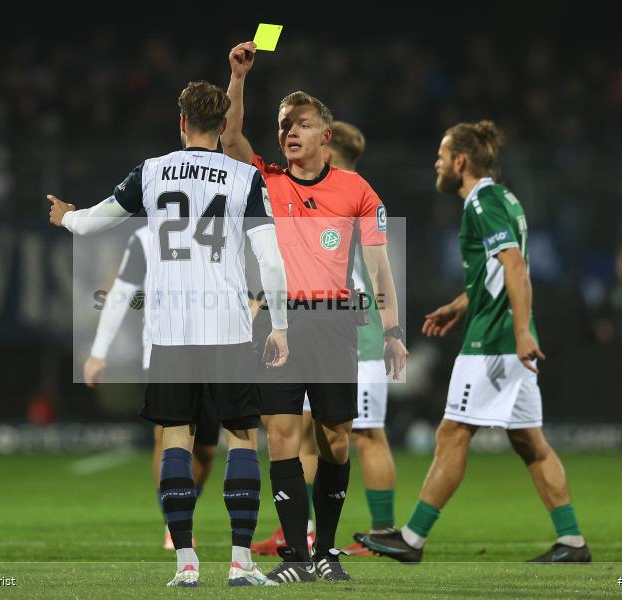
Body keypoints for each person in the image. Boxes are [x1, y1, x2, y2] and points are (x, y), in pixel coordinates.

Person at [48, 80, 289, 587]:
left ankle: (185, 564)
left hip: (171, 330)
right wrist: (281, 325)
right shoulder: (246, 177)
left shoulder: (152, 172)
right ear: (224, 126)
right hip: (227, 325)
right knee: (242, 439)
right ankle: (242, 563)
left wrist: (66, 216)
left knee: (175, 440)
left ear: (181, 122)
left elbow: (93, 224)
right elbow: (270, 258)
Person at [357, 120, 591, 563]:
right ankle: (572, 540)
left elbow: (516, 266)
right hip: (503, 335)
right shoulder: (506, 199)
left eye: (443, 156)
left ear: (460, 162)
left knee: (452, 432)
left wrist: (520, 333)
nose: (437, 163)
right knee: (530, 443)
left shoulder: (481, 202)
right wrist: (462, 304)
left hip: (494, 344)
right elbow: (499, 271)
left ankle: (411, 538)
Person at [222, 43, 408, 583]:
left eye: (300, 124)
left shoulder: (356, 190)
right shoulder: (267, 180)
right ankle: (298, 559)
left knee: (336, 438)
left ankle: (325, 550)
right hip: (279, 322)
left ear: (326, 135)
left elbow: (378, 269)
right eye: (283, 124)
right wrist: (238, 78)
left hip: (333, 321)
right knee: (281, 435)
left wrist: (392, 329)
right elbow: (231, 137)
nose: (288, 132)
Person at [251, 122, 398, 557]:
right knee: (304, 434)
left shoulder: (350, 197)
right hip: (320, 329)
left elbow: (372, 271)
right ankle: (300, 534)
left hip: (356, 333)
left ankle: (384, 533)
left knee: (365, 435)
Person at [83, 224, 220, 550]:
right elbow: (119, 291)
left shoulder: (218, 232)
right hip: (164, 349)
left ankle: (184, 506)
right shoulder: (146, 238)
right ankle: (173, 522)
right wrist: (98, 352)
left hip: (216, 347)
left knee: (206, 447)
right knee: (168, 435)